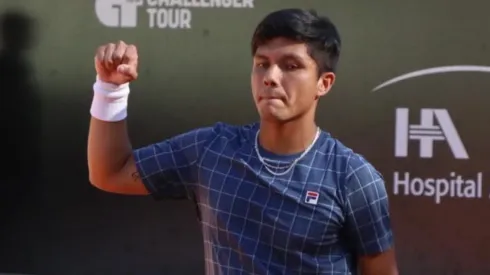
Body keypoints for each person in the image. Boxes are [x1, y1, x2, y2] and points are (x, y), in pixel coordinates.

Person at [87, 8, 399, 275]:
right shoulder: (212, 149)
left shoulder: (353, 178)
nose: (271, 77)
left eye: (291, 66)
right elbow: (110, 172)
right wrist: (110, 89)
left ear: (323, 83)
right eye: (262, 63)